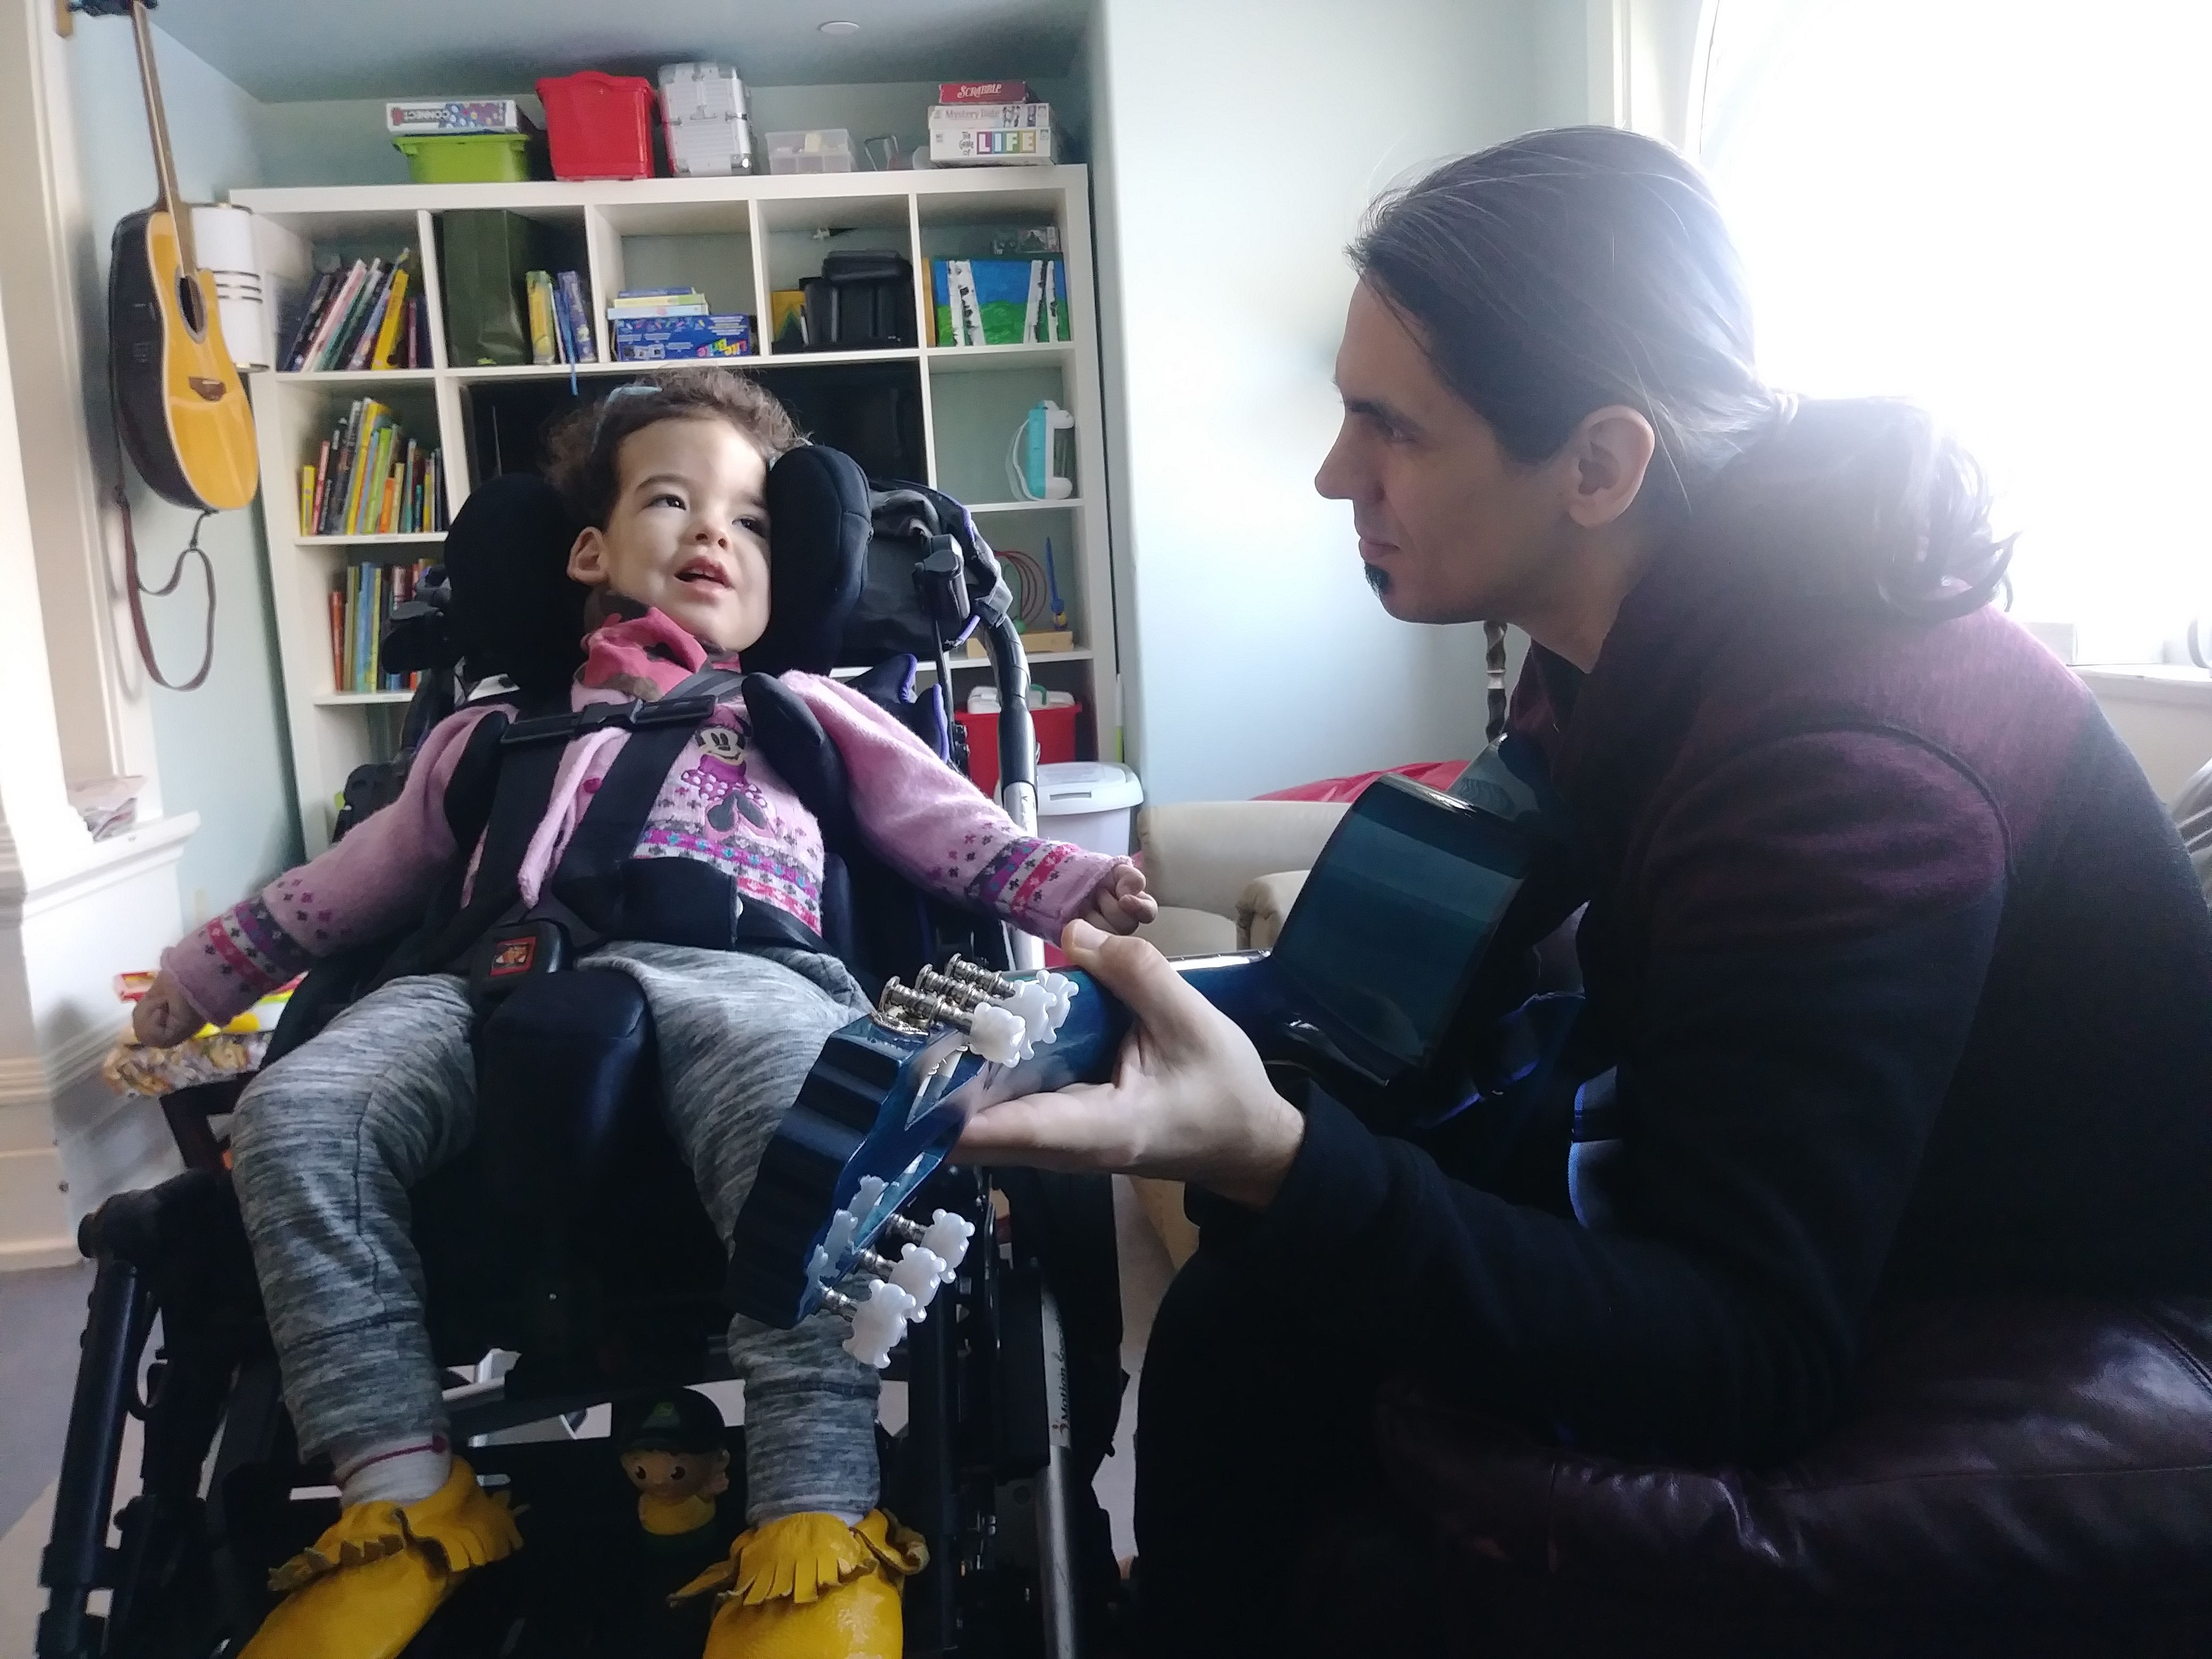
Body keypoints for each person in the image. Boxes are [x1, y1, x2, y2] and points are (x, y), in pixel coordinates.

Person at [955, 126, 2212, 1652]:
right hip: (1831, 1210)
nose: (1335, 473)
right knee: (1247, 1316)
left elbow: (1751, 1348)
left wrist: (1281, 1159)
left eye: (1390, 427)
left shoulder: (1843, 773)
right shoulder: (1628, 629)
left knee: (1275, 1318)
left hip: (2002, 1285)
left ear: (1602, 466)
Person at [130, 366, 1157, 1659]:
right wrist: (204, 976)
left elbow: (944, 828)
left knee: (813, 1119)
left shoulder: (804, 708)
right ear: (589, 551)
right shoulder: (485, 736)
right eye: (672, 501)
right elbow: (350, 882)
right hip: (480, 985)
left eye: (752, 520)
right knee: (294, 1110)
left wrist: (1072, 886)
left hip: (741, 975)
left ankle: (816, 1523)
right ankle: (403, 1504)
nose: (713, 532)